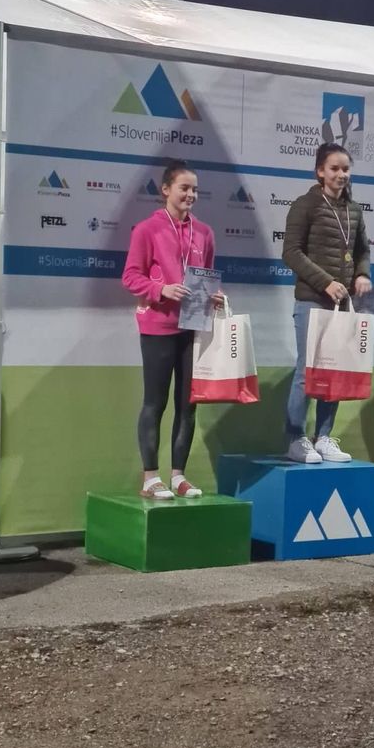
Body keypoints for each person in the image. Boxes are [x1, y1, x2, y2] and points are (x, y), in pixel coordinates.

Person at [122, 160, 222, 499]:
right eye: (184, 188)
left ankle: (178, 475)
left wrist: (215, 295)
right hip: (158, 326)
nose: (191, 194)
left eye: (195, 189)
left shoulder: (205, 232)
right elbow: (130, 276)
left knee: (188, 404)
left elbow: (206, 276)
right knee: (155, 402)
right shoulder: (147, 230)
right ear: (166, 189)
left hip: (193, 327)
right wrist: (160, 289)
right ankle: (150, 477)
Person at [282, 142, 372, 464]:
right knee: (306, 372)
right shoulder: (305, 205)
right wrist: (326, 282)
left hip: (341, 306)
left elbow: (362, 250)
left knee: (334, 372)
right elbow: (291, 252)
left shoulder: (354, 210)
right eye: (334, 168)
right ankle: (295, 439)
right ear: (320, 171)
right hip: (311, 301)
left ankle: (323, 437)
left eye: (345, 169)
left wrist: (361, 274)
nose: (341, 174)